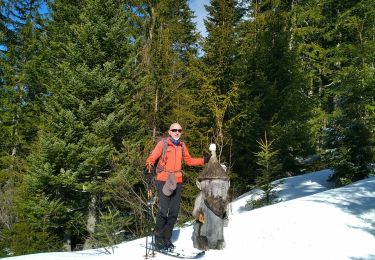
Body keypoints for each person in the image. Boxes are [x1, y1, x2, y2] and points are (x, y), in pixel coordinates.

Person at [145, 123, 210, 251]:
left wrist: (204, 160)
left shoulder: (182, 145)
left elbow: (189, 160)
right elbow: (151, 158)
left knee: (174, 212)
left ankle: (166, 239)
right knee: (163, 210)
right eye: (174, 130)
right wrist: (148, 168)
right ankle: (158, 239)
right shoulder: (163, 144)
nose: (177, 132)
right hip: (163, 180)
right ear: (169, 132)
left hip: (177, 180)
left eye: (179, 130)